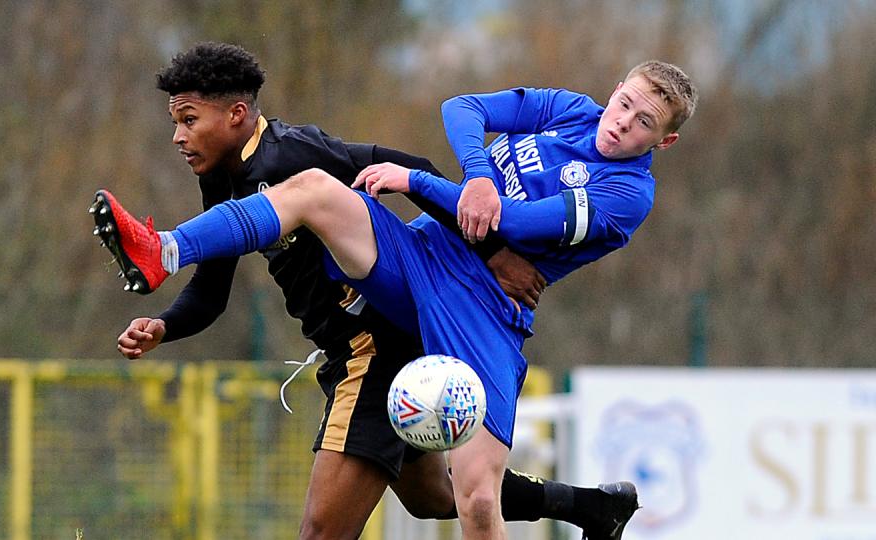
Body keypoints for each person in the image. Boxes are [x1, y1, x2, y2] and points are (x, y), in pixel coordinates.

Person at [98, 42, 641, 540]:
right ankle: (590, 506)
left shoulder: (293, 153)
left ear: (236, 114)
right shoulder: (221, 178)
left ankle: (164, 249)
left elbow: (417, 169)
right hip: (348, 348)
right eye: (176, 122)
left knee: (321, 533)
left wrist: (492, 251)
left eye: (189, 120)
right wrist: (165, 325)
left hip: (373, 351)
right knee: (432, 497)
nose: (178, 136)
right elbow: (212, 290)